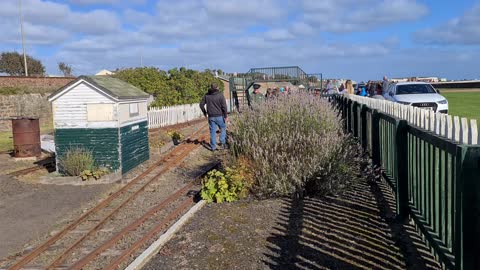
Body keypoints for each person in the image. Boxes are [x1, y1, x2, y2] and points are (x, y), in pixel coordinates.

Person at [199, 83, 228, 151]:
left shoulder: (207, 95)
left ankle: (213, 147)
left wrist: (205, 113)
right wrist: (225, 116)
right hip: (219, 116)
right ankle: (222, 141)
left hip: (211, 117)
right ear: (217, 88)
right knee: (223, 128)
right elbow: (224, 106)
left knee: (212, 131)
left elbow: (201, 105)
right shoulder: (220, 95)